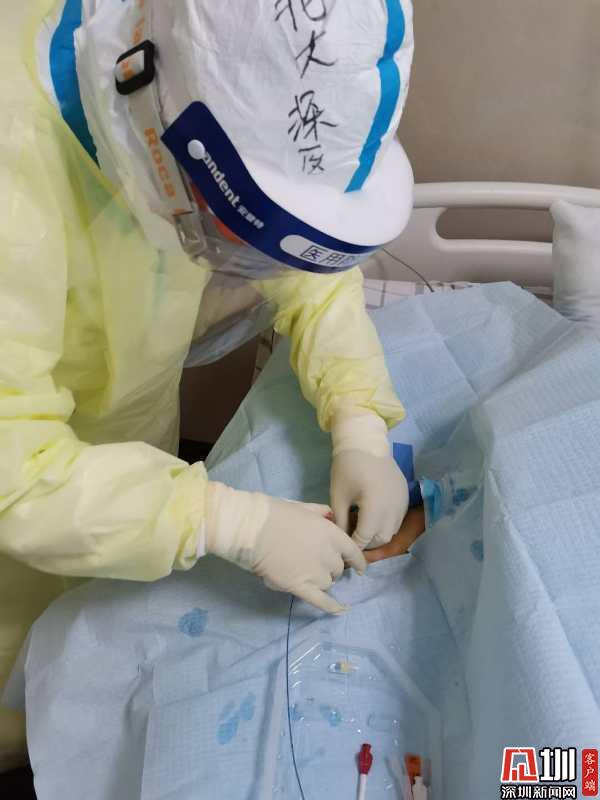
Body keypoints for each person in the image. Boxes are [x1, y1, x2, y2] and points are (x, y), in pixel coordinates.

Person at [0, 0, 414, 767]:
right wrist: (229, 523)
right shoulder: (18, 160)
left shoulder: (188, 88)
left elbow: (295, 255)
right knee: (26, 702)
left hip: (127, 443)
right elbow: (14, 477)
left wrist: (358, 416)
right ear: (157, 128)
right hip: (16, 525)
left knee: (90, 662)